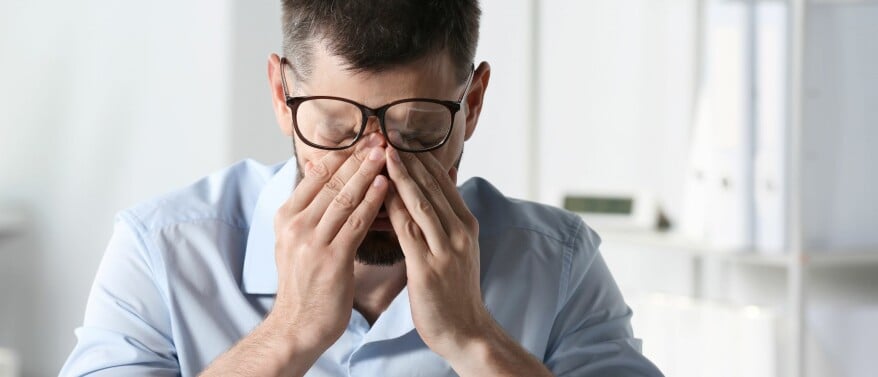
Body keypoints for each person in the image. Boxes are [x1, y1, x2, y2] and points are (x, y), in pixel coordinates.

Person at [61, 1, 663, 376]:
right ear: (281, 94)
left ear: (472, 104)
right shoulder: (160, 251)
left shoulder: (557, 261)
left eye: (419, 129)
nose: (376, 169)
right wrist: (288, 333)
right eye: (337, 128)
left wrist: (475, 340)